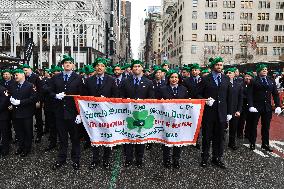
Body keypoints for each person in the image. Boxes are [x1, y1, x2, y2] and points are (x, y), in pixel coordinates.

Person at [49, 55, 83, 170]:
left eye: (70, 62)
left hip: (73, 114)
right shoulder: (56, 77)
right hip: (59, 113)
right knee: (62, 138)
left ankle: (76, 160)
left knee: (75, 138)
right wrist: (55, 95)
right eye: (65, 63)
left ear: (73, 65)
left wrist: (80, 113)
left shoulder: (78, 78)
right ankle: (61, 159)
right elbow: (47, 90)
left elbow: (81, 96)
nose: (67, 64)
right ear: (62, 65)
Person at [84, 58, 118, 170]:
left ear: (105, 68)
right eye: (98, 65)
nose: (100, 67)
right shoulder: (89, 81)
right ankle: (95, 159)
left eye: (102, 66)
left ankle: (106, 160)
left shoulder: (111, 80)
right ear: (94, 67)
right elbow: (85, 97)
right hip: (93, 114)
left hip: (107, 114)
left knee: (107, 136)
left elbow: (115, 96)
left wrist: (107, 100)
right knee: (95, 136)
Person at [198, 57, 232, 169]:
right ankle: (204, 158)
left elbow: (229, 97)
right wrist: (205, 100)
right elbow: (198, 94)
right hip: (209, 114)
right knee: (207, 137)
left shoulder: (226, 79)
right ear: (213, 66)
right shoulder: (205, 79)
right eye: (217, 65)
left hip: (221, 113)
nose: (219, 67)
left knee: (220, 137)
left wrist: (229, 112)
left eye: (221, 65)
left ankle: (217, 157)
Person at [120, 59, 155, 168]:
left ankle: (139, 159)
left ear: (142, 68)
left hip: (142, 115)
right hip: (128, 115)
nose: (136, 68)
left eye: (138, 66)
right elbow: (121, 97)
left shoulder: (148, 82)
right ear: (131, 69)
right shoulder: (125, 81)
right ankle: (128, 159)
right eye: (134, 66)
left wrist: (143, 102)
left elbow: (151, 98)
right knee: (129, 137)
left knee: (140, 137)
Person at [247, 64, 282, 151]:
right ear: (259, 71)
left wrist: (278, 105)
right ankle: (252, 143)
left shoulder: (271, 80)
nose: (265, 70)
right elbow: (250, 94)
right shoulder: (254, 80)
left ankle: (265, 144)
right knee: (253, 125)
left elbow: (275, 94)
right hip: (256, 107)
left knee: (266, 126)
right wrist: (251, 105)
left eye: (266, 69)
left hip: (267, 108)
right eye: (263, 69)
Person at [159, 70, 189, 169]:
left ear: (179, 79)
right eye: (172, 77)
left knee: (178, 139)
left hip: (179, 120)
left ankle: (176, 159)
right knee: (167, 138)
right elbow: (156, 103)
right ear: (169, 79)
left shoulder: (183, 89)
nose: (174, 79)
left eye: (176, 77)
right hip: (166, 119)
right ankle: (166, 159)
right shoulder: (163, 89)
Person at [10, 69, 37, 157]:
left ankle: (27, 148)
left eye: (17, 75)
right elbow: (10, 95)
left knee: (27, 131)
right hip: (16, 113)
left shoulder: (30, 86)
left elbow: (33, 98)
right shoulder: (13, 85)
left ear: (22, 75)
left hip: (26, 113)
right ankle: (20, 147)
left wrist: (20, 102)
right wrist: (11, 102)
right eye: (14, 75)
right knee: (18, 131)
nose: (15, 76)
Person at [22, 64, 44, 143]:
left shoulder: (36, 77)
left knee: (38, 119)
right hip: (28, 101)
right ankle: (29, 135)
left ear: (30, 69)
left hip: (36, 102)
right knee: (28, 119)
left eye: (26, 70)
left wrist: (39, 101)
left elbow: (40, 90)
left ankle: (39, 135)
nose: (25, 72)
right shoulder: (24, 77)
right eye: (23, 70)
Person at [224, 68, 243, 150]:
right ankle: (220, 142)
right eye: (226, 73)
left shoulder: (238, 85)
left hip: (234, 110)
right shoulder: (222, 84)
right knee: (221, 128)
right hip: (224, 110)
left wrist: (239, 110)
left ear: (234, 74)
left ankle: (231, 143)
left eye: (230, 73)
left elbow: (240, 99)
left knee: (233, 128)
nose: (228, 74)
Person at [237, 72, 254, 139]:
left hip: (251, 106)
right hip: (243, 104)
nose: (247, 78)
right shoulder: (241, 85)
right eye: (246, 76)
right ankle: (239, 133)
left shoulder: (253, 85)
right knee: (241, 120)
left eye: (249, 76)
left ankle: (247, 133)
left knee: (249, 120)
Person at [0, 84, 10, 157]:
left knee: (4, 133)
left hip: (2, 116)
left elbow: (4, 102)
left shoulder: (2, 89)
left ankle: (5, 149)